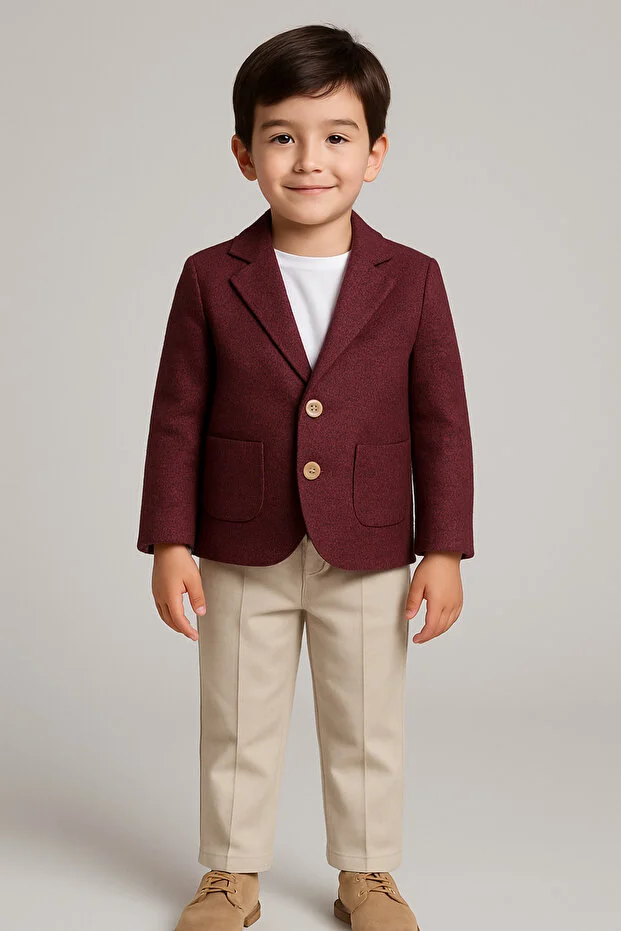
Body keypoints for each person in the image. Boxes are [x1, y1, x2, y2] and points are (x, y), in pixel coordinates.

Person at [137, 22, 475, 931]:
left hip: (367, 542)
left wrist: (443, 548)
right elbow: (176, 417)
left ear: (376, 154)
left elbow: (442, 424)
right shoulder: (209, 277)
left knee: (366, 719)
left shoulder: (412, 278)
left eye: (336, 136)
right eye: (282, 136)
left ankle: (367, 873)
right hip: (239, 539)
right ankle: (229, 874)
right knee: (236, 716)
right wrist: (169, 540)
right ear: (244, 154)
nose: (310, 160)